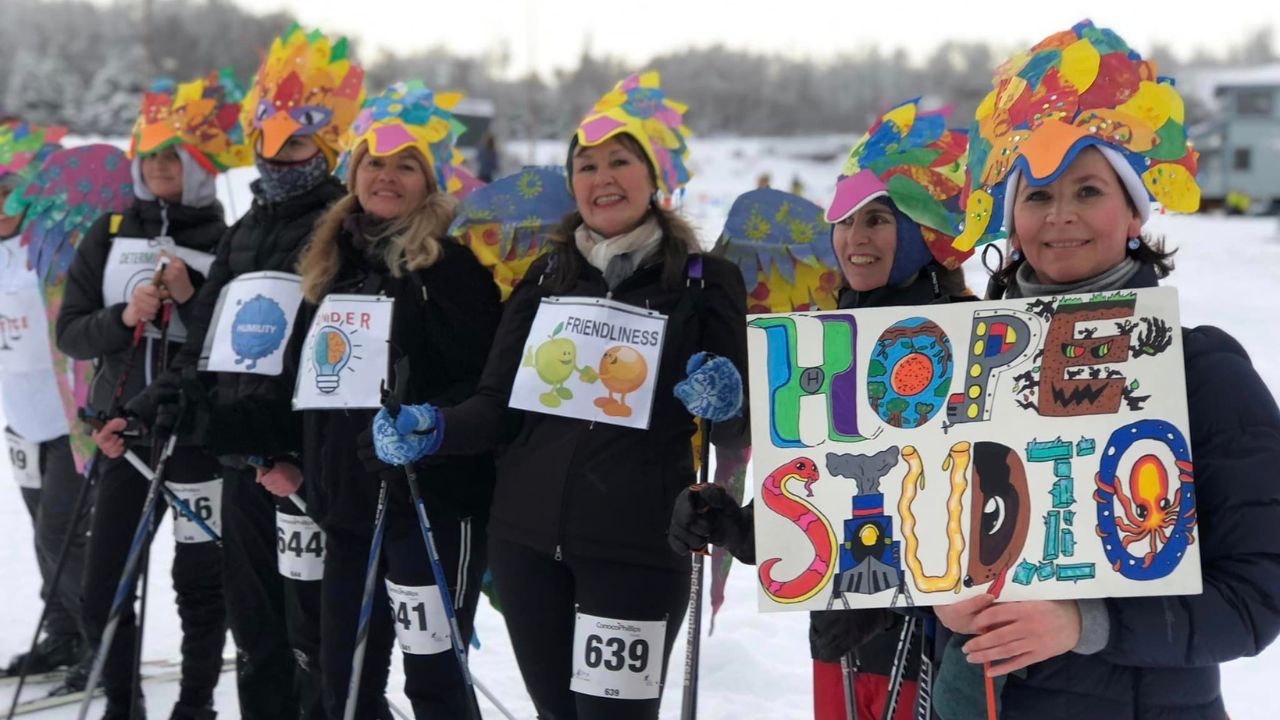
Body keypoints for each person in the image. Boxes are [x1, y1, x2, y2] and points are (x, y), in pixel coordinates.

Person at [929, 19, 1280, 719]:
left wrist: (1086, 622)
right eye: (1037, 194)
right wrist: (931, 595)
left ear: (1132, 215)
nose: (1060, 216)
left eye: (1088, 190)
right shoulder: (966, 368)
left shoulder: (1201, 369)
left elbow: (1258, 594)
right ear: (1012, 218)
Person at [371, 71, 749, 719]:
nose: (602, 177)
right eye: (585, 165)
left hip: (637, 547)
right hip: (524, 547)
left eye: (620, 161)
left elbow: (738, 432)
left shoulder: (702, 280)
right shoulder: (546, 275)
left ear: (653, 176)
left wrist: (728, 399)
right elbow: (496, 404)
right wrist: (431, 427)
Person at [669, 99, 976, 720]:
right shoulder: (827, 339)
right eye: (844, 219)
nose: (854, 238)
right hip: (841, 634)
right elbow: (818, 493)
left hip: (945, 647)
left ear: (926, 232)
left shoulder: (968, 338)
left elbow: (986, 508)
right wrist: (734, 524)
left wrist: (898, 600)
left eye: (880, 220)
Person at [119, 25, 363, 720]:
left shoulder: (342, 224)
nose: (280, 154)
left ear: (325, 145)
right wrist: (145, 407)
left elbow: (338, 355)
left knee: (313, 631)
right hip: (240, 458)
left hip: (302, 461)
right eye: (271, 138)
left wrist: (291, 450)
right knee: (256, 631)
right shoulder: (245, 227)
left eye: (297, 141)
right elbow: (207, 345)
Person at [251, 80, 501, 719]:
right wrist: (278, 447)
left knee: (436, 685)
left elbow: (481, 384)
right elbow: (304, 381)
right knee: (345, 680)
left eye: (406, 164)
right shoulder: (333, 260)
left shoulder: (447, 266)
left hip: (426, 508)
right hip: (346, 509)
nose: (387, 176)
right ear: (355, 171)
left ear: (429, 180)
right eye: (374, 162)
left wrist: (424, 423)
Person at [56, 72, 246, 720]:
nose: (161, 168)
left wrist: (191, 302)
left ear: (197, 166)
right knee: (106, 581)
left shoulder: (226, 242)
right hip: (126, 435)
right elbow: (73, 334)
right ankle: (122, 702)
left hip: (197, 440)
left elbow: (239, 342)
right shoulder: (108, 232)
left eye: (175, 157)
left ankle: (196, 704)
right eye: (152, 156)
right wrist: (123, 317)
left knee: (201, 583)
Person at [0, 119, 90, 679]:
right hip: (21, 418)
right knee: (43, 533)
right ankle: (63, 635)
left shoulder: (59, 248)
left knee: (63, 532)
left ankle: (96, 635)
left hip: (72, 419)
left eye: (10, 190)